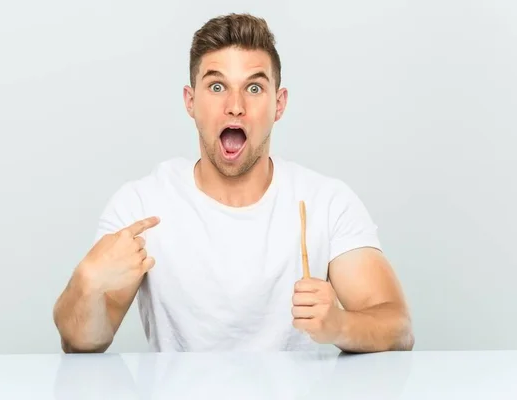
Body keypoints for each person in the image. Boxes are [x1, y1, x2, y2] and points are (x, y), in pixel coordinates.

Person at [53, 13, 415, 353]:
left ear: (279, 103)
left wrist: (340, 326)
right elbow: (83, 341)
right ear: (190, 102)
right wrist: (87, 280)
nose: (235, 106)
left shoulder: (327, 202)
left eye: (254, 89)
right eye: (216, 86)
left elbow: (398, 327)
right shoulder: (142, 206)